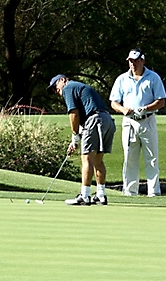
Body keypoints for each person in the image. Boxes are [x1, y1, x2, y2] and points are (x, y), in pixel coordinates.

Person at [47, 74, 116, 205]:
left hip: (94, 120)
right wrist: (76, 139)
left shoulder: (68, 88)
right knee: (97, 160)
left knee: (86, 158)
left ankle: (85, 195)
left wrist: (75, 135)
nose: (57, 92)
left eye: (56, 87)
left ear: (63, 80)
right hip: (107, 120)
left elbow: (74, 113)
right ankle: (101, 195)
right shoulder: (79, 87)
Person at [109, 49, 166, 197]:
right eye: (130, 61)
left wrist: (146, 108)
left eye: (135, 60)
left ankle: (153, 192)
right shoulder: (122, 79)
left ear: (143, 60)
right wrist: (122, 110)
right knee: (129, 158)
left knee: (152, 158)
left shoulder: (153, 77)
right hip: (129, 122)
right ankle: (129, 192)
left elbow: (161, 101)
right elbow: (114, 102)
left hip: (147, 120)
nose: (132, 64)